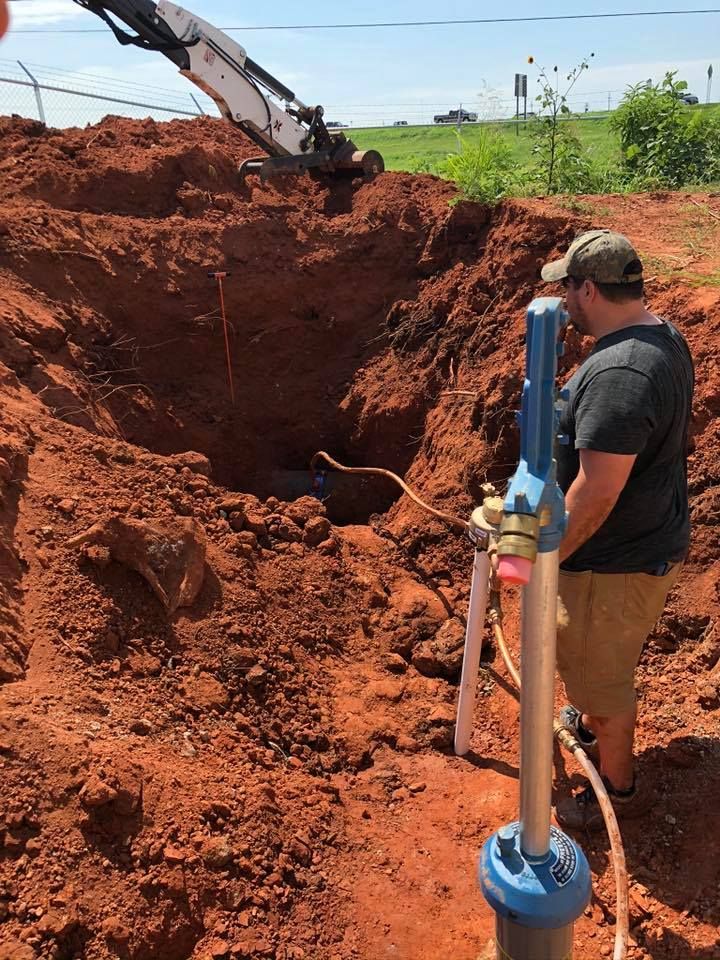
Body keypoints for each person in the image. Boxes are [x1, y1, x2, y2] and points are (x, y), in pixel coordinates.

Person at [541, 229, 694, 830]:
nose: (565, 305)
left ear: (588, 288)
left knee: (600, 680)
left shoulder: (620, 373)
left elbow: (598, 490)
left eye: (569, 291)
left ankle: (616, 791)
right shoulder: (662, 337)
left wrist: (548, 556)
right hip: (640, 544)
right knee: (597, 664)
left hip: (612, 562)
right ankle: (590, 721)